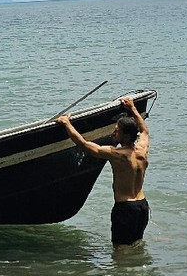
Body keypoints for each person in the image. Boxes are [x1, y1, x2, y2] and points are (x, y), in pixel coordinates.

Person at [55, 97, 149, 245]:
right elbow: (144, 130)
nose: (113, 133)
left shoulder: (116, 154)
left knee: (120, 249)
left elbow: (84, 145)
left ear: (125, 135)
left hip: (125, 208)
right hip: (142, 206)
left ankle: (122, 268)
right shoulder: (142, 149)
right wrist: (133, 108)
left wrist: (67, 124)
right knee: (136, 244)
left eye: (117, 131)